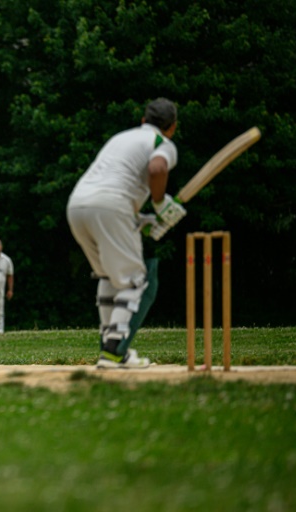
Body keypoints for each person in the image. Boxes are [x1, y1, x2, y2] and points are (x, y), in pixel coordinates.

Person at [66, 98, 186, 369]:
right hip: (113, 206)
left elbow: (115, 179)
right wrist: (159, 203)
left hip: (77, 205)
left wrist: (141, 218)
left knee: (110, 276)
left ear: (143, 120)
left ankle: (112, 346)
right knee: (136, 281)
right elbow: (157, 168)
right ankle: (114, 350)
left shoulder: (121, 138)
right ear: (172, 127)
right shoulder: (162, 144)